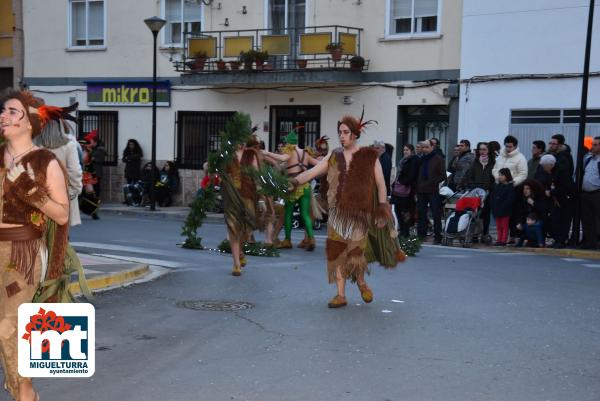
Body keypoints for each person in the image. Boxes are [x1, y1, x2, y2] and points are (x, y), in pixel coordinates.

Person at [289, 112, 403, 308]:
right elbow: (313, 172)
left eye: (345, 132)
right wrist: (293, 181)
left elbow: (381, 185)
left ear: (355, 134)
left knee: (355, 252)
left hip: (360, 213)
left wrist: (382, 208)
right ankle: (340, 295)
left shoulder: (369, 156)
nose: (341, 136)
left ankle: (361, 282)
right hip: (337, 213)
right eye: (340, 132)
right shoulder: (334, 155)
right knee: (336, 251)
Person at [0, 90, 71, 401]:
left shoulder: (45, 161)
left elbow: (63, 213)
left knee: (8, 327)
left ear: (29, 121)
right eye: (3, 110)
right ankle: (24, 391)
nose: (3, 116)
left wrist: (30, 191)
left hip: (24, 256)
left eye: (12, 111)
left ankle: (24, 393)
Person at [262, 127, 319, 251]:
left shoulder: (290, 152)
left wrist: (266, 153)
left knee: (288, 213)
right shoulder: (305, 153)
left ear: (289, 143)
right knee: (305, 214)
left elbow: (282, 159)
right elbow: (318, 165)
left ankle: (287, 240)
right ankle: (311, 239)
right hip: (305, 186)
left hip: (292, 185)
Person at [34, 119, 83, 226]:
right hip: (64, 194)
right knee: (62, 235)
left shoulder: (34, 144)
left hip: (40, 195)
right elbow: (74, 171)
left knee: (39, 232)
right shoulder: (68, 145)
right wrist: (75, 190)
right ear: (60, 126)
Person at [539, 154, 575, 249]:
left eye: (544, 166)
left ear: (550, 165)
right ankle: (557, 240)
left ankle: (561, 241)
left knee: (564, 221)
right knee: (554, 220)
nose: (543, 168)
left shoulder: (562, 172)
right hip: (556, 200)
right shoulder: (551, 172)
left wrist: (551, 192)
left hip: (566, 201)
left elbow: (565, 187)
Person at [416, 140, 446, 244]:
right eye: (423, 147)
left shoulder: (438, 159)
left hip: (432, 190)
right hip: (421, 190)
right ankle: (421, 235)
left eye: (426, 147)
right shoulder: (421, 159)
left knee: (435, 213)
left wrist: (429, 182)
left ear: (432, 147)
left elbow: (443, 176)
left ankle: (438, 236)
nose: (424, 149)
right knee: (421, 213)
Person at [467, 142, 495, 240]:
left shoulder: (493, 163)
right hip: (476, 192)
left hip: (488, 192)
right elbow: (470, 177)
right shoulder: (475, 162)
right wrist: (473, 186)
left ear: (488, 151)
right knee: (475, 213)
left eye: (484, 149)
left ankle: (485, 233)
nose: (482, 152)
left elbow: (494, 178)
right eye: (480, 149)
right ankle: (475, 234)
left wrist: (489, 187)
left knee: (486, 213)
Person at [391, 144, 419, 237]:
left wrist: (403, 182)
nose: (405, 151)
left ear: (412, 150)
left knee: (406, 211)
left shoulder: (414, 160)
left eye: (407, 150)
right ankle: (402, 229)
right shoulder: (403, 160)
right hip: (398, 190)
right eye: (404, 150)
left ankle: (405, 231)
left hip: (407, 191)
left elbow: (412, 175)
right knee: (397, 210)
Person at [514, 180, 548, 248]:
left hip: (538, 221)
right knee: (524, 225)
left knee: (536, 226)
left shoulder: (539, 197)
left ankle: (540, 242)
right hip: (528, 221)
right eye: (524, 188)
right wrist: (519, 222)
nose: (525, 190)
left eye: (527, 188)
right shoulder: (523, 199)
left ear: (532, 189)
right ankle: (523, 242)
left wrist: (533, 203)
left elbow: (543, 210)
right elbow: (520, 213)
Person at [580, 136, 600, 249]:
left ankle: (597, 241)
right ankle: (589, 242)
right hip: (586, 193)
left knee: (597, 219)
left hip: (597, 193)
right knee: (587, 219)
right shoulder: (587, 159)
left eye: (595, 145)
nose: (592, 147)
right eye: (592, 144)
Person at [491, 168, 515, 246]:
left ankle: (503, 240)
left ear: (507, 176)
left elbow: (509, 199)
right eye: (499, 175)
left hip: (505, 210)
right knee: (498, 226)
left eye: (502, 175)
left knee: (504, 226)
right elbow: (494, 197)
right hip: (497, 209)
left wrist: (503, 206)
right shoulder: (497, 186)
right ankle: (499, 239)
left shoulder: (510, 186)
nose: (500, 177)